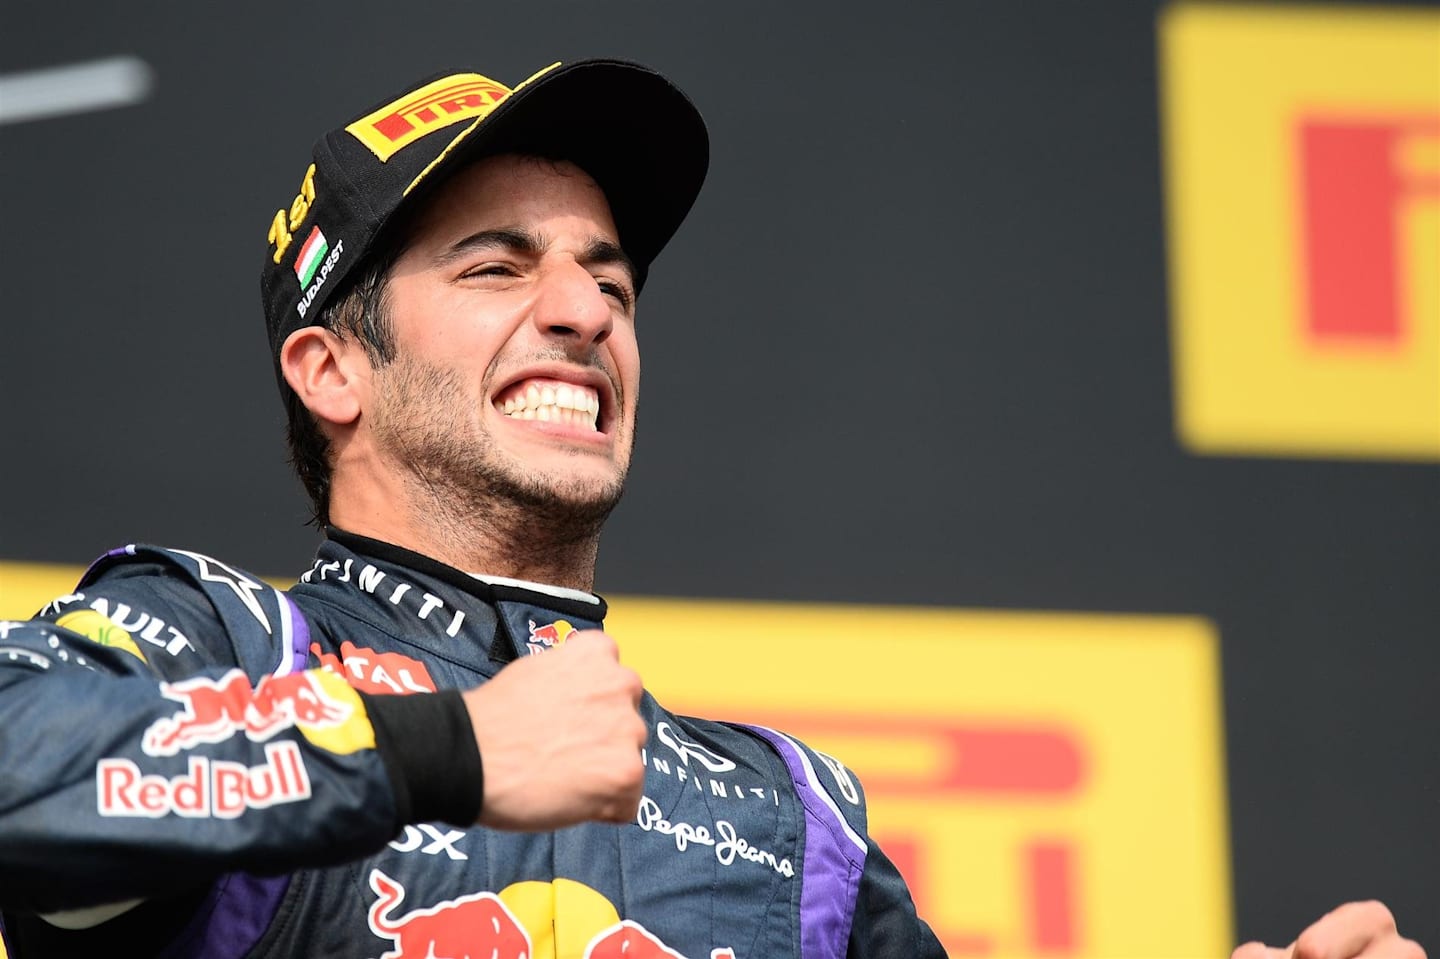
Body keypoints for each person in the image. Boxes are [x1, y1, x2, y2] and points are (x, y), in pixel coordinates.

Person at [0, 59, 1423, 959]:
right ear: (331, 368)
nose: (581, 311)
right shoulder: (224, 646)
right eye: (496, 269)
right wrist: (437, 750)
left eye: (610, 283)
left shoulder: (788, 817)